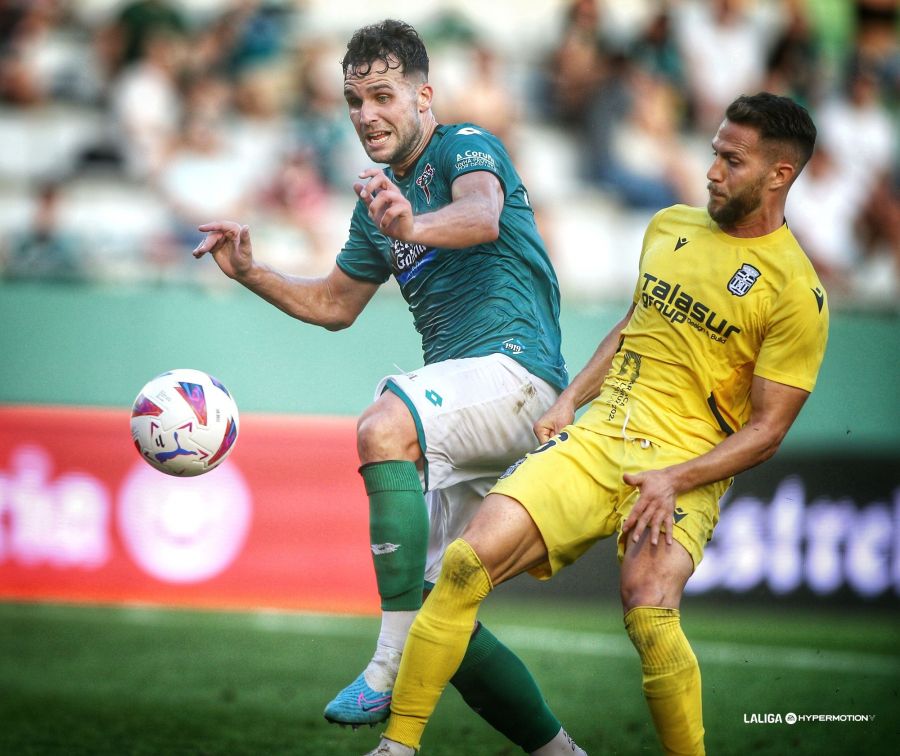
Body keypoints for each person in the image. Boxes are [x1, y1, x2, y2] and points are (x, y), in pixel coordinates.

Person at [366, 92, 828, 756]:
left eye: (732, 160)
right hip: (600, 436)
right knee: (465, 565)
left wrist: (674, 478)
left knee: (648, 606)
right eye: (714, 154)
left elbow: (768, 430)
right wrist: (570, 399)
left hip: (685, 464)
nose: (712, 171)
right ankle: (398, 748)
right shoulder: (669, 225)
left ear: (779, 175)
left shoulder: (795, 292)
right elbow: (634, 328)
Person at [193, 19, 585, 756]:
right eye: (353, 100)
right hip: (466, 395)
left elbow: (481, 216)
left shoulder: (464, 147)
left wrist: (416, 220)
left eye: (382, 95)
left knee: (381, 426)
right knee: (447, 617)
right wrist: (253, 273)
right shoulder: (375, 204)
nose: (366, 113)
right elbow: (335, 306)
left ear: (424, 95)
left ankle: (383, 663)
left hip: (518, 372)